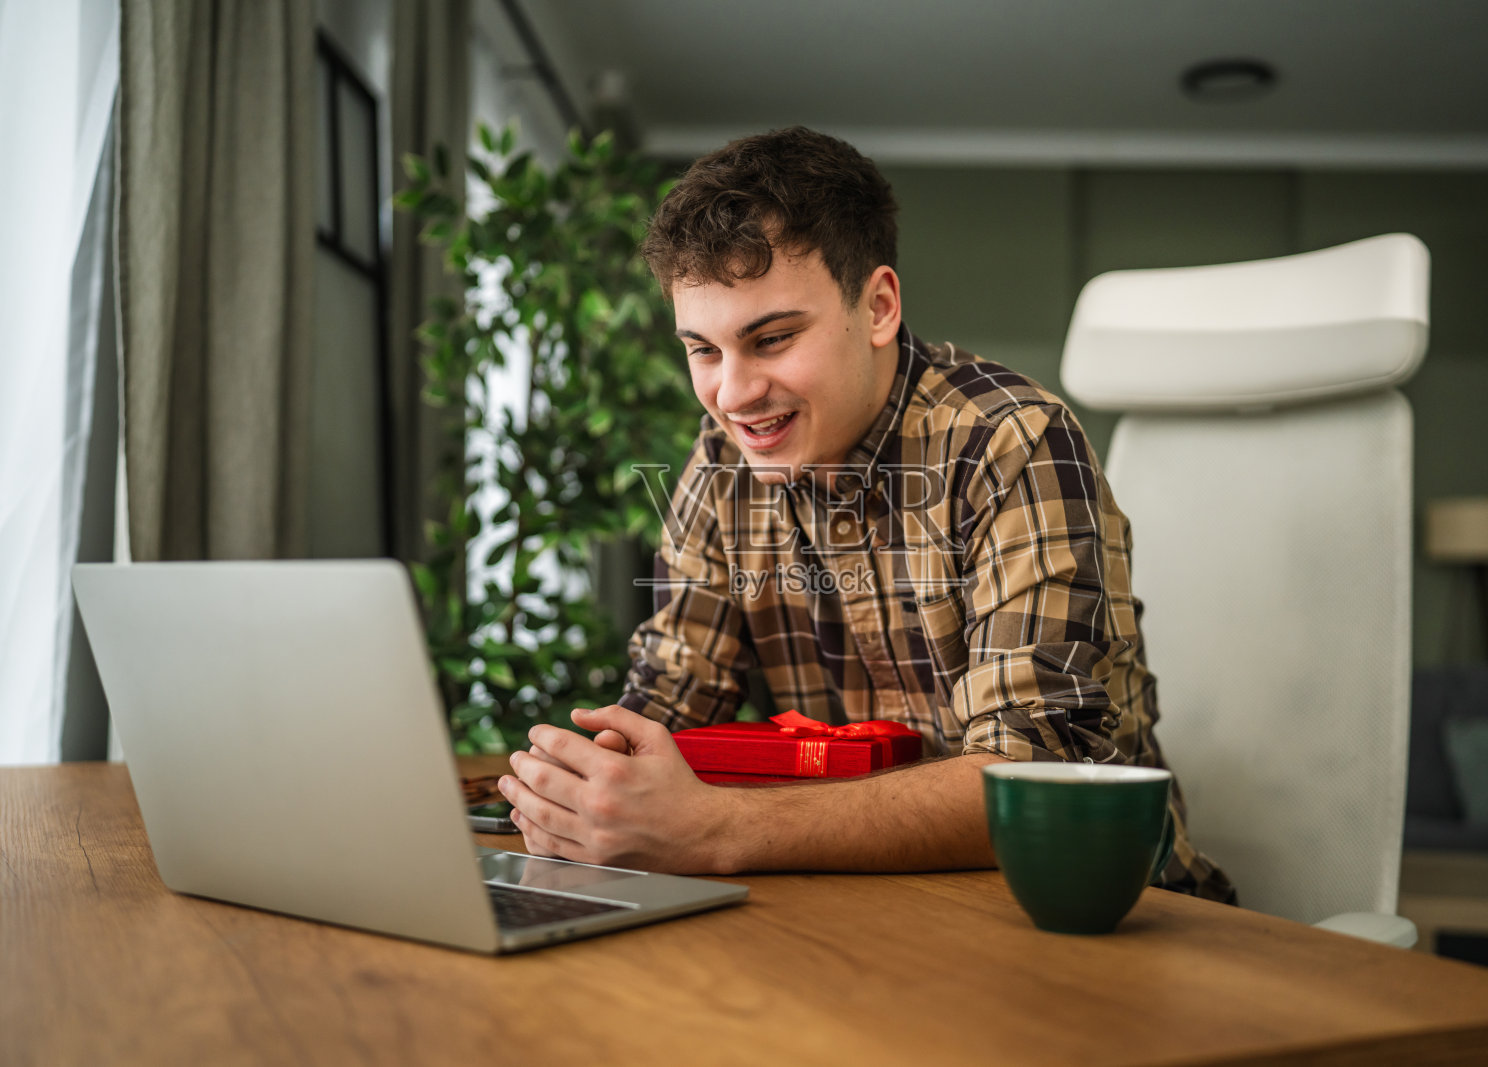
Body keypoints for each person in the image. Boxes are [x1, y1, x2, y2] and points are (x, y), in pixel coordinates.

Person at [497, 126, 1234, 902]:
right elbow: (669, 698)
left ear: (878, 306)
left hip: (1093, 917)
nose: (734, 395)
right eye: (704, 351)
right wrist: (583, 794)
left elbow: (1033, 781)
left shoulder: (1012, 443)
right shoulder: (724, 459)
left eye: (772, 338)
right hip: (868, 914)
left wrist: (717, 829)